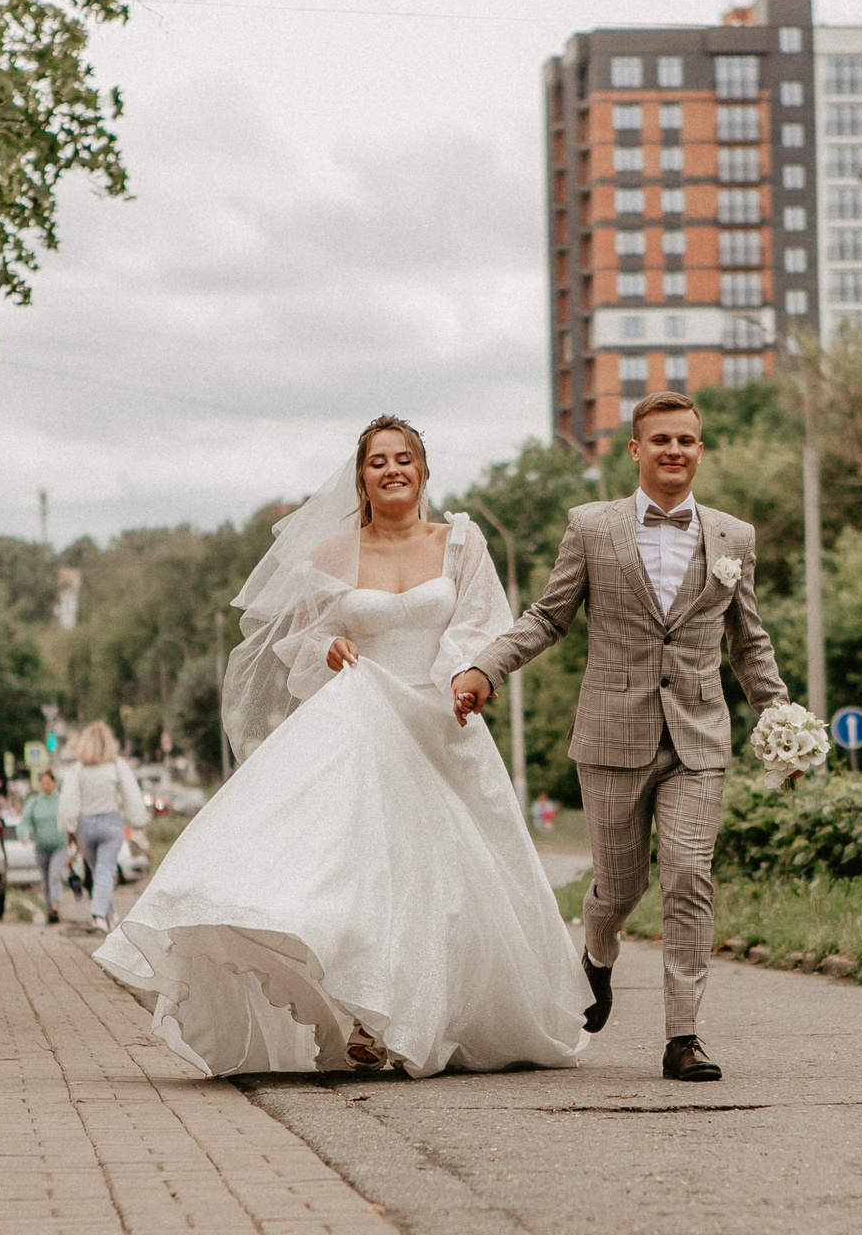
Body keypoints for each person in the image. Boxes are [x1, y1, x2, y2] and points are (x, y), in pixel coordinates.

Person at [92, 416, 587, 1079]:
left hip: (439, 720)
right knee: (360, 871)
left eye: (403, 458)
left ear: (424, 470)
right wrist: (328, 646)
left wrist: (467, 675)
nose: (391, 469)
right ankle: (367, 1020)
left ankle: (433, 1015)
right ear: (361, 476)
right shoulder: (332, 555)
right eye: (377, 460)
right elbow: (300, 640)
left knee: (446, 887)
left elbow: (482, 626)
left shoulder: (463, 542)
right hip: (361, 719)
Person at [453, 391, 787, 1083]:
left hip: (697, 737)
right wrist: (487, 667)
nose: (674, 451)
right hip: (610, 733)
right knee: (621, 883)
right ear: (636, 450)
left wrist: (778, 716)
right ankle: (597, 951)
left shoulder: (734, 538)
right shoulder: (592, 527)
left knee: (689, 874)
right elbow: (548, 616)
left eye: (686, 441)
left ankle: (683, 1036)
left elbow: (748, 641)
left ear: (700, 450)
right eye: (661, 440)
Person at [59, 722, 148, 931]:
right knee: (105, 871)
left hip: (85, 827)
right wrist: (137, 821)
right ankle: (99, 915)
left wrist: (69, 829)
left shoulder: (78, 769)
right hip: (111, 825)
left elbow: (69, 801)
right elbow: (131, 795)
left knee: (98, 871)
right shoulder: (117, 765)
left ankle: (110, 916)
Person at [23, 767, 69, 923]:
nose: (45, 786)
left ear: (54, 783)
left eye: (48, 783)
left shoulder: (62, 800)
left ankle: (55, 906)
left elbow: (70, 819)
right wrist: (24, 835)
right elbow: (25, 820)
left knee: (54, 875)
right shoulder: (35, 802)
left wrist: (73, 836)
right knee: (45, 879)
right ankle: (50, 909)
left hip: (59, 846)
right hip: (41, 847)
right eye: (43, 783)